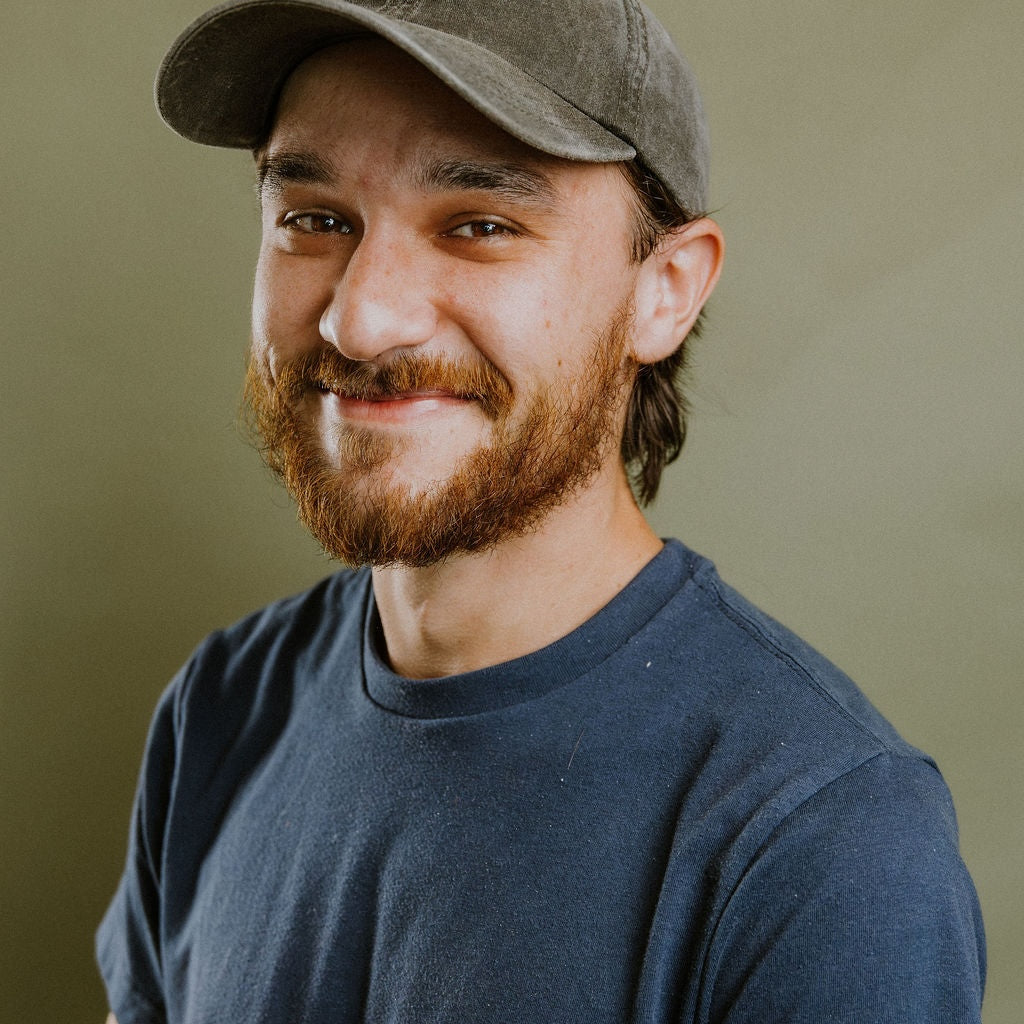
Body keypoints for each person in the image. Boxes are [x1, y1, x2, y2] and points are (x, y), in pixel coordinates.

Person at [97, 1, 985, 1021]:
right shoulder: (219, 711)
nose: (361, 317)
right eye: (314, 219)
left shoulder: (825, 845)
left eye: (479, 226)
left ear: (664, 290)